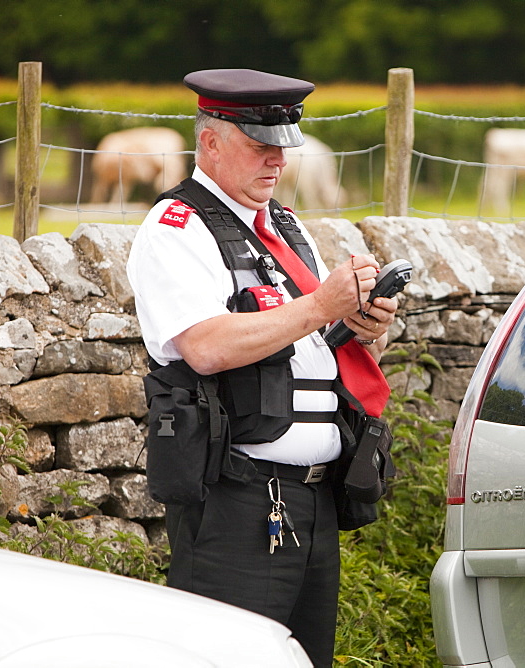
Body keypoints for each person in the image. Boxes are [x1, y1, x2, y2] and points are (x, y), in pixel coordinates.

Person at [126, 68, 398, 667]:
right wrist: (323, 304)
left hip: (313, 501)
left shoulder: (286, 227)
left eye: (282, 146)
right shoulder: (179, 227)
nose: (276, 161)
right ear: (210, 141)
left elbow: (315, 348)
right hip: (237, 499)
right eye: (259, 145)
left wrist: (361, 330)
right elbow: (205, 346)